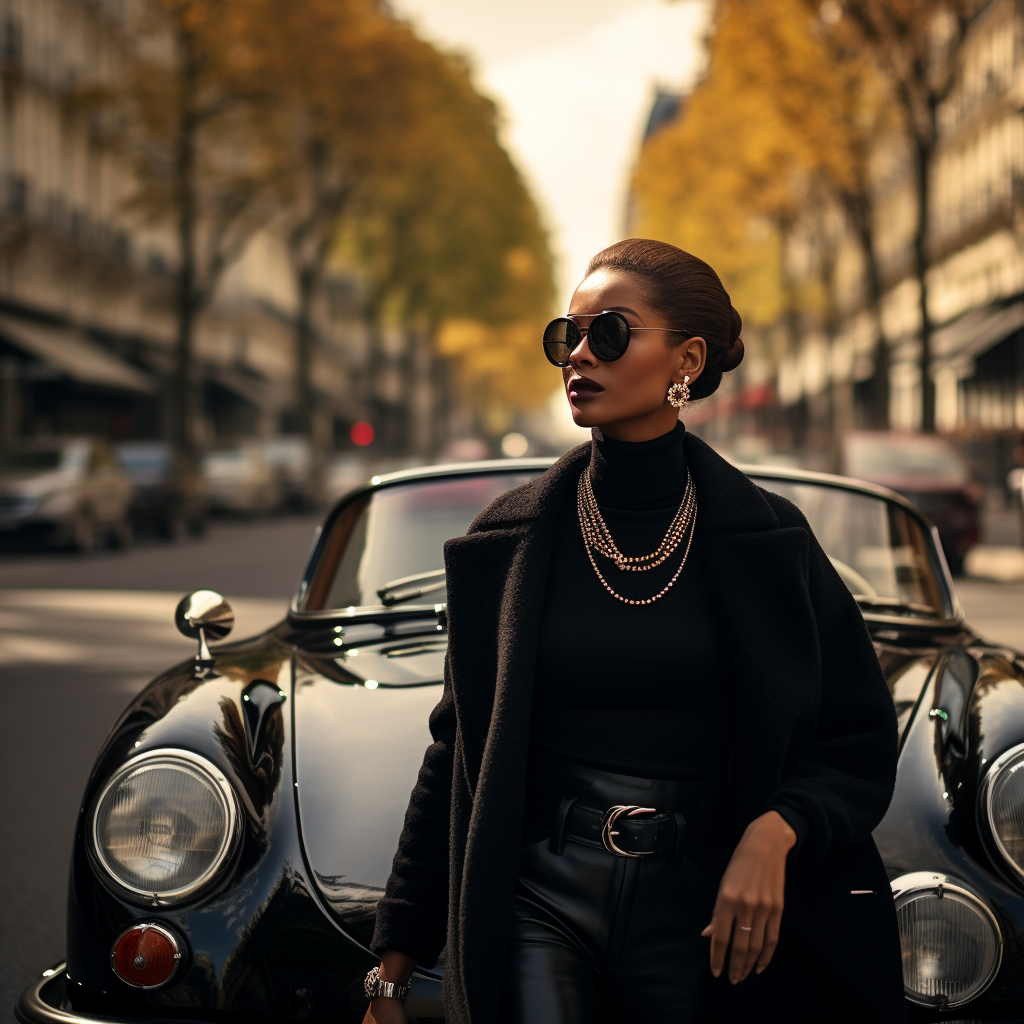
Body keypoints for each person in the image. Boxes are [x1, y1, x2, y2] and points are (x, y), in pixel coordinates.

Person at [363, 239, 904, 1024]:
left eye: (609, 333)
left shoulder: (770, 542)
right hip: (536, 901)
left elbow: (856, 738)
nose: (578, 355)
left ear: (686, 359)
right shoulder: (507, 542)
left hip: (706, 908)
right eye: (566, 336)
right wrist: (391, 972)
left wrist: (777, 830)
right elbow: (456, 752)